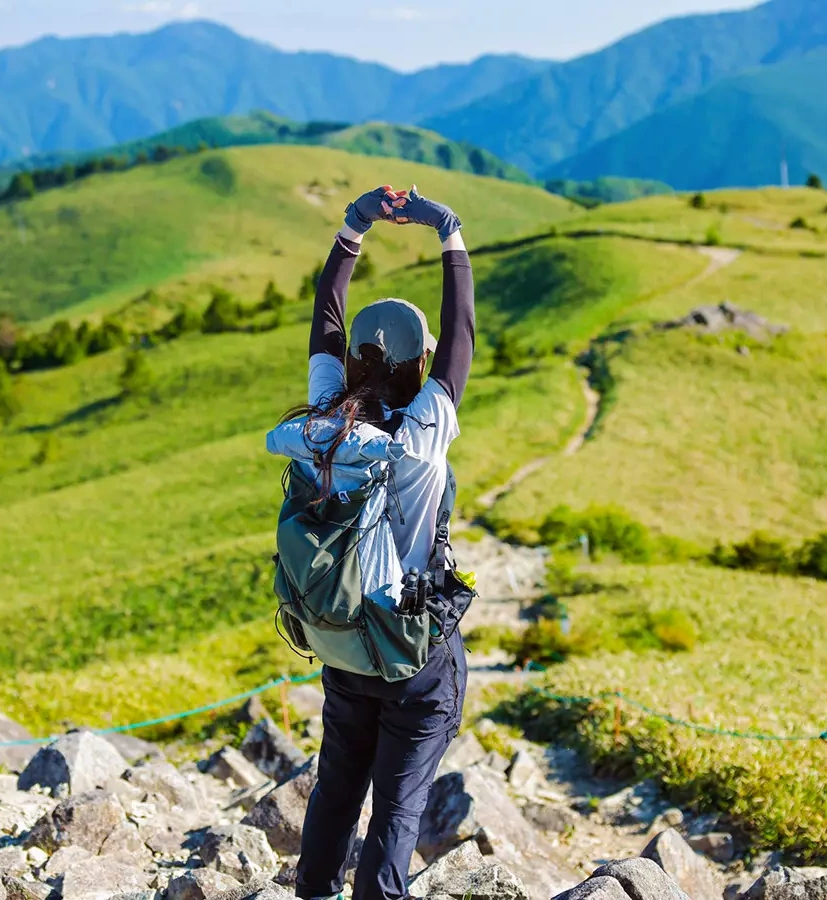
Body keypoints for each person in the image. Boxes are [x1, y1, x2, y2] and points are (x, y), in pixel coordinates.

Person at [292, 185, 475, 900]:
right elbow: (461, 336)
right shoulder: (424, 435)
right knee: (396, 808)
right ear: (416, 366)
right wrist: (446, 233)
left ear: (354, 366)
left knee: (336, 785)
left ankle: (313, 892)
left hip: (342, 642)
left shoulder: (319, 427)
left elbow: (325, 322)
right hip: (412, 658)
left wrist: (354, 227)